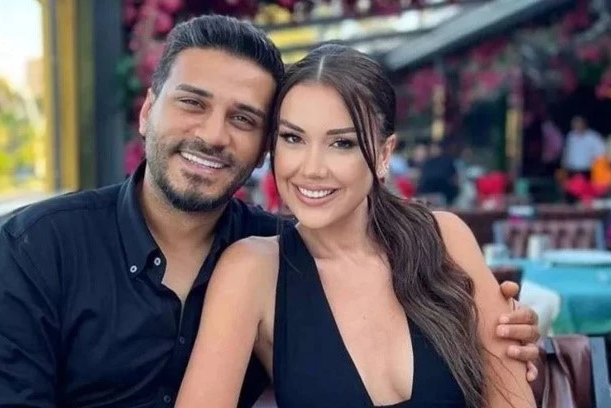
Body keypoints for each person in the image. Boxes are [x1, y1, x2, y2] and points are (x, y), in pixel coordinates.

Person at [0, 16, 540, 408]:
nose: (213, 134)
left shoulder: (294, 250)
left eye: (242, 118)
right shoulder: (44, 246)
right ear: (147, 112)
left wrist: (504, 331)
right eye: (192, 103)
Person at [176, 45, 536, 408]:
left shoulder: (446, 239)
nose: (312, 168)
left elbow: (513, 396)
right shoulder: (252, 270)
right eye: (293, 138)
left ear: (384, 154)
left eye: (342, 143)